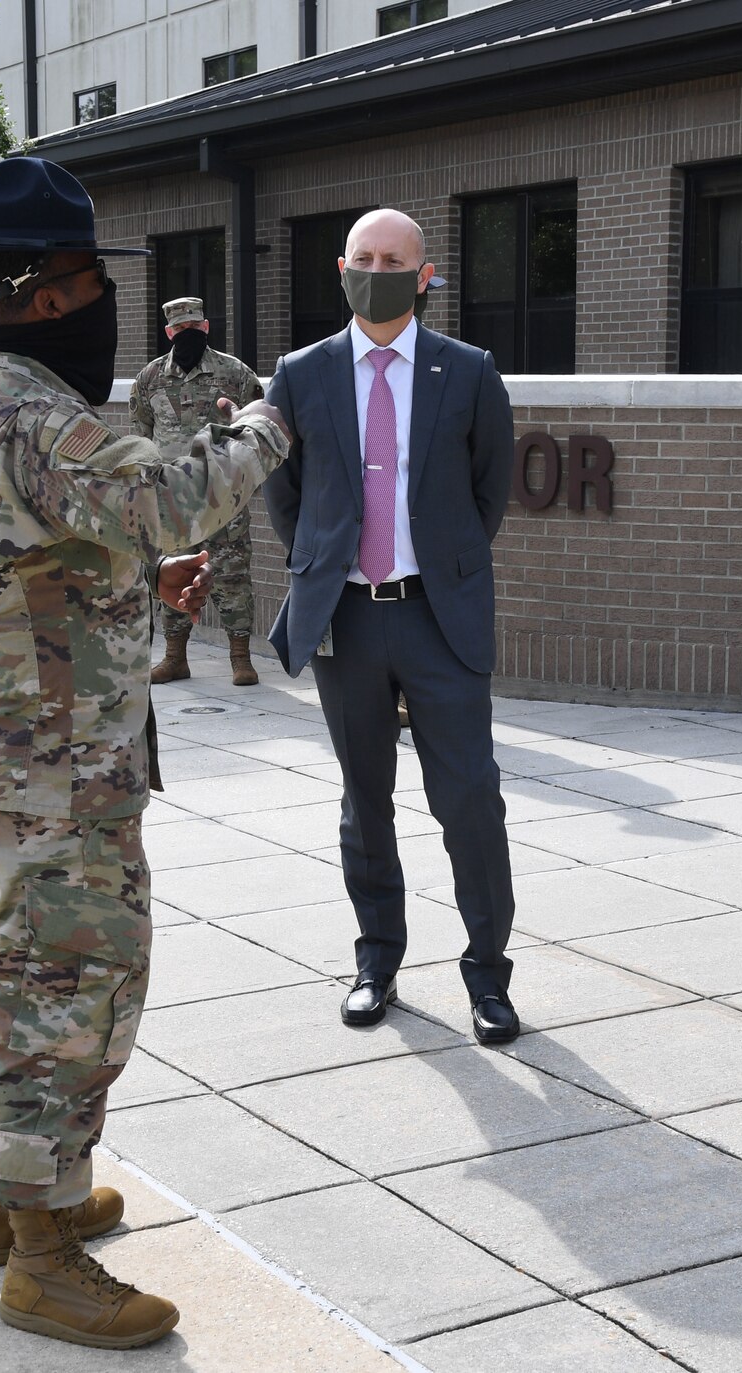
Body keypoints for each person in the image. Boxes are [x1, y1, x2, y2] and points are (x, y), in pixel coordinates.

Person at [0, 156, 289, 1350]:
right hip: (56, 771)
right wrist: (276, 418)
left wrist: (130, 580)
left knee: (8, 975)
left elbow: (43, 563)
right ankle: (42, 1254)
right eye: (87, 276)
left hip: (9, 751)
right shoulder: (37, 416)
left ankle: (17, 1192)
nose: (104, 302)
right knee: (72, 990)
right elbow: (176, 494)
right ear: (42, 289)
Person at [263, 208, 520, 1045]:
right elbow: (287, 496)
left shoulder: (469, 370)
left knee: (471, 800)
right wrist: (332, 563)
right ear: (342, 267)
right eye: (364, 258)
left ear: (425, 274)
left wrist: (437, 565)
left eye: (394, 260)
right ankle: (377, 960)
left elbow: (487, 492)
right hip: (346, 619)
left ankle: (488, 975)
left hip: (437, 619)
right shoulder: (300, 373)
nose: (378, 270)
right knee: (363, 801)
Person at [135, 297, 266, 686]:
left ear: (206, 328)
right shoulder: (150, 378)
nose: (186, 334)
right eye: (179, 330)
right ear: (168, 333)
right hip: (173, 500)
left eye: (193, 328)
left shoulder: (235, 373)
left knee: (233, 575)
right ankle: (175, 656)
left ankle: (241, 658)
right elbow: (142, 434)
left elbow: (254, 425)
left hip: (223, 497)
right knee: (173, 573)